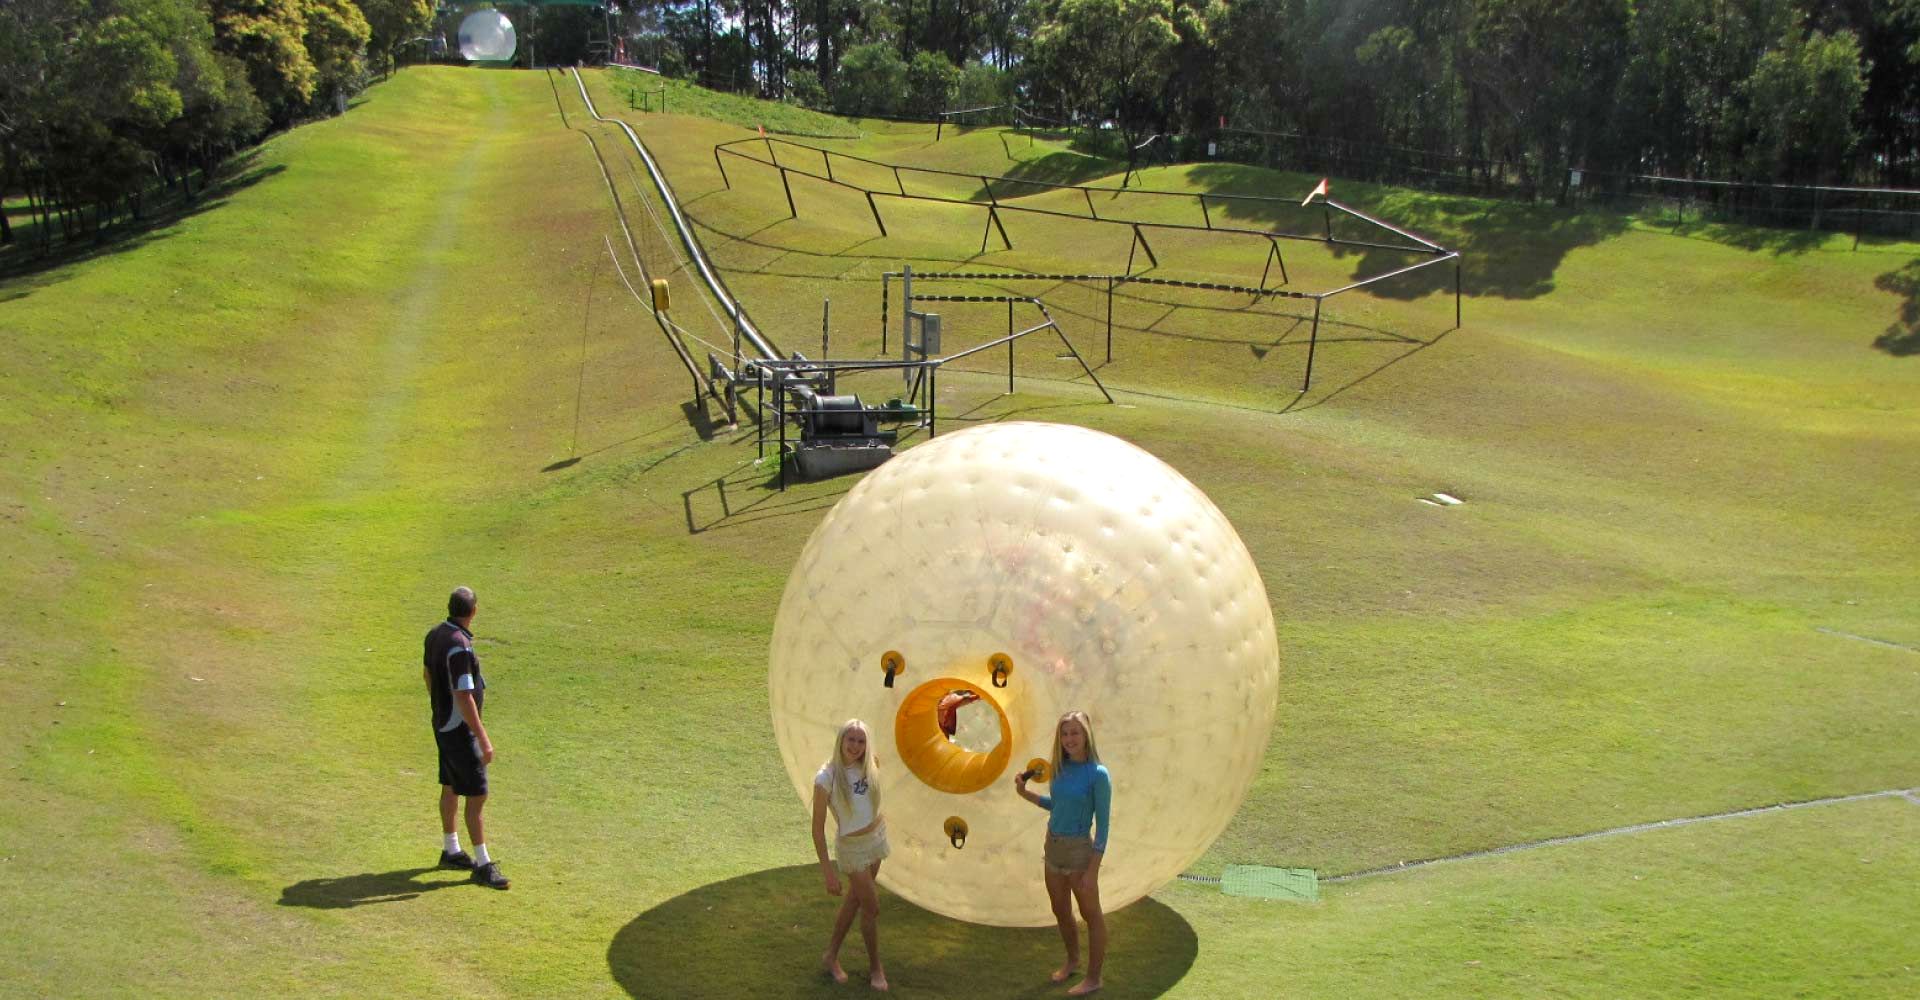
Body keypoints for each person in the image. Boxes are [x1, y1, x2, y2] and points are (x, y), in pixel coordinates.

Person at [1015, 710, 1110, 995]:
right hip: (1052, 848)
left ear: (1086, 735)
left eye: (1075, 733)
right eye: (1065, 733)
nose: (1069, 739)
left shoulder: (1098, 774)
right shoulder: (1059, 767)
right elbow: (1057, 805)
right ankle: (1072, 961)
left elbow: (1103, 827)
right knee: (1060, 910)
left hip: (1079, 852)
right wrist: (1025, 794)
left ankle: (1094, 978)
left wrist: (1092, 871)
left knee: (1091, 915)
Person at [423, 586, 509, 890]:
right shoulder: (459, 646)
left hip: (442, 725)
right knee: (477, 795)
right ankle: (483, 865)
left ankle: (451, 849)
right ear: (473, 612)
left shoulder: (436, 635)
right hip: (459, 731)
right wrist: (482, 738)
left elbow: (427, 676)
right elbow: (464, 694)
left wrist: (439, 707)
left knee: (450, 786)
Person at [812, 719, 890, 991]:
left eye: (861, 741)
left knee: (856, 900)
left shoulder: (869, 765)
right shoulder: (826, 778)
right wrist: (828, 873)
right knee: (872, 906)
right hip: (853, 850)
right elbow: (818, 829)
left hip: (877, 838)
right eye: (851, 740)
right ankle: (876, 968)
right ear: (841, 741)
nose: (855, 747)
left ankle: (830, 956)